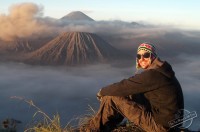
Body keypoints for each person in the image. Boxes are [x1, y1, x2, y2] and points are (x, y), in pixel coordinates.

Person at [80, 42, 184, 132]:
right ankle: (106, 125)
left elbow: (124, 86)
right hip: (171, 124)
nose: (142, 59)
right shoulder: (162, 72)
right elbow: (130, 87)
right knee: (129, 94)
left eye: (146, 55)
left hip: (161, 127)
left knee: (112, 97)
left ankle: (92, 129)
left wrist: (102, 92)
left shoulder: (153, 75)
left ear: (153, 56)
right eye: (139, 56)